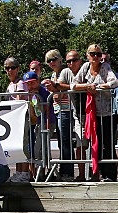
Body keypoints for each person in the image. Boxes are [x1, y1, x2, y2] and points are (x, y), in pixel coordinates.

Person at [73, 44, 118, 182]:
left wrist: (97, 87)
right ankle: (97, 173)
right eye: (93, 54)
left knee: (108, 144)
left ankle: (110, 175)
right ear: (87, 55)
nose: (96, 57)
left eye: (99, 54)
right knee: (96, 144)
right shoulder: (85, 68)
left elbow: (114, 82)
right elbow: (74, 84)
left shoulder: (105, 67)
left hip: (107, 112)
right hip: (92, 114)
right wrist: (87, 86)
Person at [43, 49, 78, 180]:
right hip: (58, 110)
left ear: (60, 59)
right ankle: (64, 170)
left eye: (54, 59)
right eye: (49, 60)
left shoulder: (65, 72)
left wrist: (56, 90)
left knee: (65, 142)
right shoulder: (53, 75)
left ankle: (67, 172)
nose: (52, 62)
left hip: (67, 109)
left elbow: (64, 90)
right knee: (61, 142)